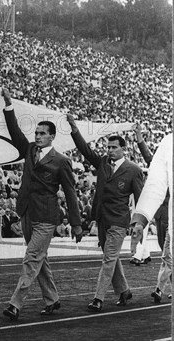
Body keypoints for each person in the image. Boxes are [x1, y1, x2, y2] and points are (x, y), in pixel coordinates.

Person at [1, 89, 82, 321]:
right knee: (39, 259)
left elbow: (70, 192)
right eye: (36, 133)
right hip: (26, 212)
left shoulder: (62, 161)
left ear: (52, 137)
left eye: (42, 133)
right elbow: (14, 131)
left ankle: (15, 303)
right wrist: (8, 105)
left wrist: (76, 224)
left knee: (31, 259)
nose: (37, 136)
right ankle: (52, 299)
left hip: (46, 217)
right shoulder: (28, 150)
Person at [66, 114, 144, 313]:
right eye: (108, 147)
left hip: (119, 221)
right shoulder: (102, 163)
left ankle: (98, 298)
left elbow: (140, 197)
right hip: (102, 219)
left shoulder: (133, 170)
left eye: (113, 147)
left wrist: (138, 223)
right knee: (112, 258)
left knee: (108, 259)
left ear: (123, 148)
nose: (109, 151)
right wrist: (74, 128)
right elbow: (84, 149)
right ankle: (124, 291)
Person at [130, 133, 172, 304]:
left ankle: (159, 289)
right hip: (163, 215)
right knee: (166, 253)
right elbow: (149, 157)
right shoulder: (163, 166)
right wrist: (140, 139)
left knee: (168, 255)